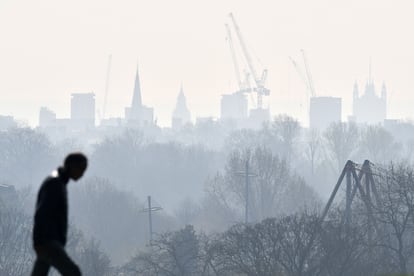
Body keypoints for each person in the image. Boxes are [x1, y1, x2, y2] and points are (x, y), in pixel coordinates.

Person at [31, 152, 87, 276]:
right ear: (71, 166)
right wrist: (39, 241)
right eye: (81, 169)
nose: (82, 173)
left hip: (47, 240)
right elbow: (42, 213)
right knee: (73, 272)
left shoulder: (57, 182)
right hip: (48, 241)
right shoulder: (55, 184)